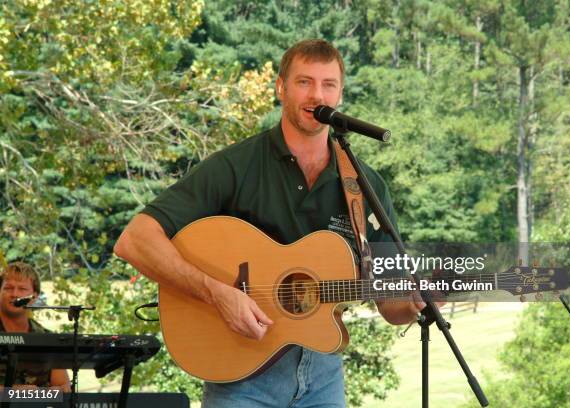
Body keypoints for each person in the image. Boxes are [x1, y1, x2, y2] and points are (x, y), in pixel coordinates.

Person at [114, 39, 428, 408]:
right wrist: (218, 293)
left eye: (328, 84)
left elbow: (391, 303)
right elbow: (134, 240)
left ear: (340, 93)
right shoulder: (236, 166)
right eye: (304, 82)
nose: (317, 95)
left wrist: (416, 302)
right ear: (280, 87)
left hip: (323, 376)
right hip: (242, 377)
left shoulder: (364, 185)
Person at [0, 262, 71, 391]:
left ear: (34, 297)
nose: (15, 294)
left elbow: (64, 388)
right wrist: (15, 392)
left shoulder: (47, 338)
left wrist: (41, 394)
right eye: (8, 288)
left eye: (22, 289)